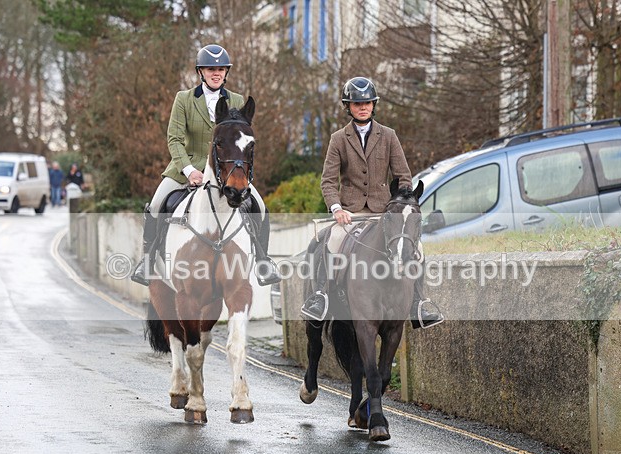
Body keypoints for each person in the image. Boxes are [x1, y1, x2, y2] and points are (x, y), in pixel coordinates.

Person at [130, 44, 280, 287]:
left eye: (221, 69)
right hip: (188, 168)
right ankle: (147, 262)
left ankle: (263, 262)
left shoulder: (237, 100)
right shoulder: (184, 99)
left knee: (260, 208)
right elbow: (175, 139)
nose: (216, 73)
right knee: (157, 204)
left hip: (228, 169)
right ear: (201, 71)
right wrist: (189, 170)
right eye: (211, 69)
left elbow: (241, 140)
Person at [300, 76, 443, 329]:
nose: (363, 107)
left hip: (384, 212)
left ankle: (418, 303)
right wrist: (336, 208)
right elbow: (328, 181)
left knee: (417, 247)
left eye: (367, 102)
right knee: (329, 241)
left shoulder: (389, 136)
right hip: (350, 213)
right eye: (357, 104)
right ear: (348, 107)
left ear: (374, 104)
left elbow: (403, 177)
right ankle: (320, 296)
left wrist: (400, 205)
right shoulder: (338, 139)